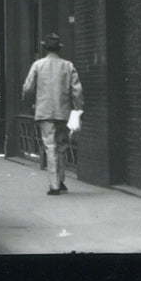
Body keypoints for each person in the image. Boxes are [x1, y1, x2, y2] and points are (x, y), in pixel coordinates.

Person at [21, 32, 84, 195]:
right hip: (63, 112)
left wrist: (29, 103)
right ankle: (61, 181)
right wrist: (78, 108)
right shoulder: (68, 66)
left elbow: (28, 88)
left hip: (45, 111)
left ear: (45, 48)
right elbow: (77, 90)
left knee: (50, 146)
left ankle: (54, 185)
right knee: (62, 146)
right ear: (59, 49)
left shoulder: (38, 65)